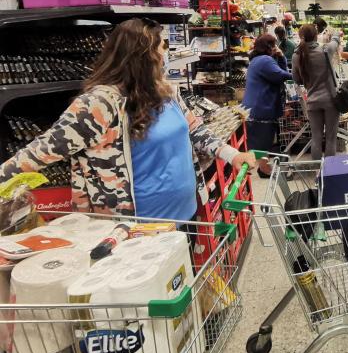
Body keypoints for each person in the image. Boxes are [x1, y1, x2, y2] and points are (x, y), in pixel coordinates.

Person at [0, 18, 256, 219]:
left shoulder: (167, 90)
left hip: (186, 215)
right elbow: (38, 152)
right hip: (135, 228)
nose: (165, 54)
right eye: (161, 47)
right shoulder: (99, 104)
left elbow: (195, 131)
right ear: (142, 56)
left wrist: (233, 155)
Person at [242, 34, 292, 178]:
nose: (276, 47)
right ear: (269, 46)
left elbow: (281, 72)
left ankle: (264, 168)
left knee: (264, 139)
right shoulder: (265, 60)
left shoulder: (259, 60)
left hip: (258, 105)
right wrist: (301, 76)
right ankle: (264, 169)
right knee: (263, 141)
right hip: (260, 107)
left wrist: (281, 57)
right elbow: (282, 75)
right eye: (274, 45)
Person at [293, 24, 342, 160]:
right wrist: (334, 32)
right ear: (316, 35)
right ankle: (330, 173)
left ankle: (317, 174)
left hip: (312, 101)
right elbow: (336, 39)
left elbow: (296, 79)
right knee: (331, 139)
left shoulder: (296, 55)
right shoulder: (326, 50)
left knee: (316, 138)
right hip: (331, 100)